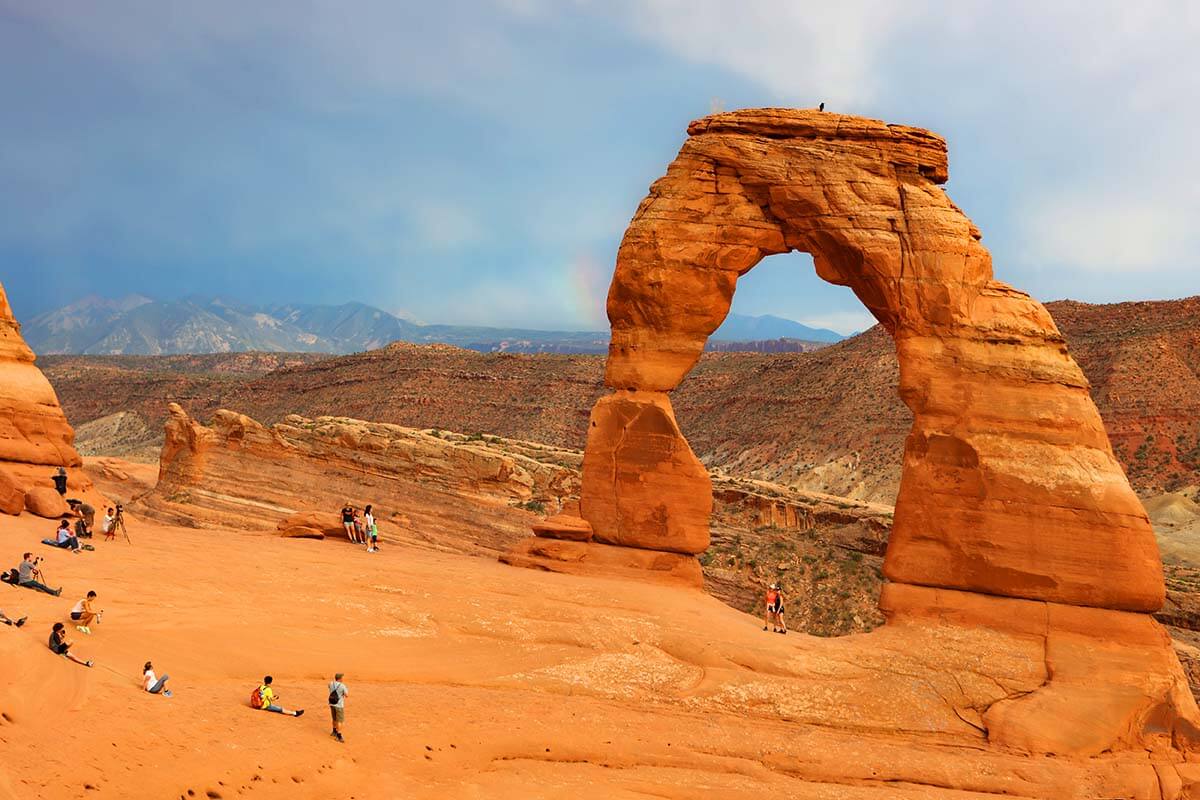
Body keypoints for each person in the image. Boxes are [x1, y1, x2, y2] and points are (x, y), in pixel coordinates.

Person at [328, 672, 348, 741]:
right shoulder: (342, 686)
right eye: (342, 677)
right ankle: (339, 736)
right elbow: (346, 695)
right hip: (339, 705)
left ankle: (334, 731)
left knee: (334, 719)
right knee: (340, 721)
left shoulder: (331, 683)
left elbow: (330, 689)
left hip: (332, 704)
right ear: (340, 678)